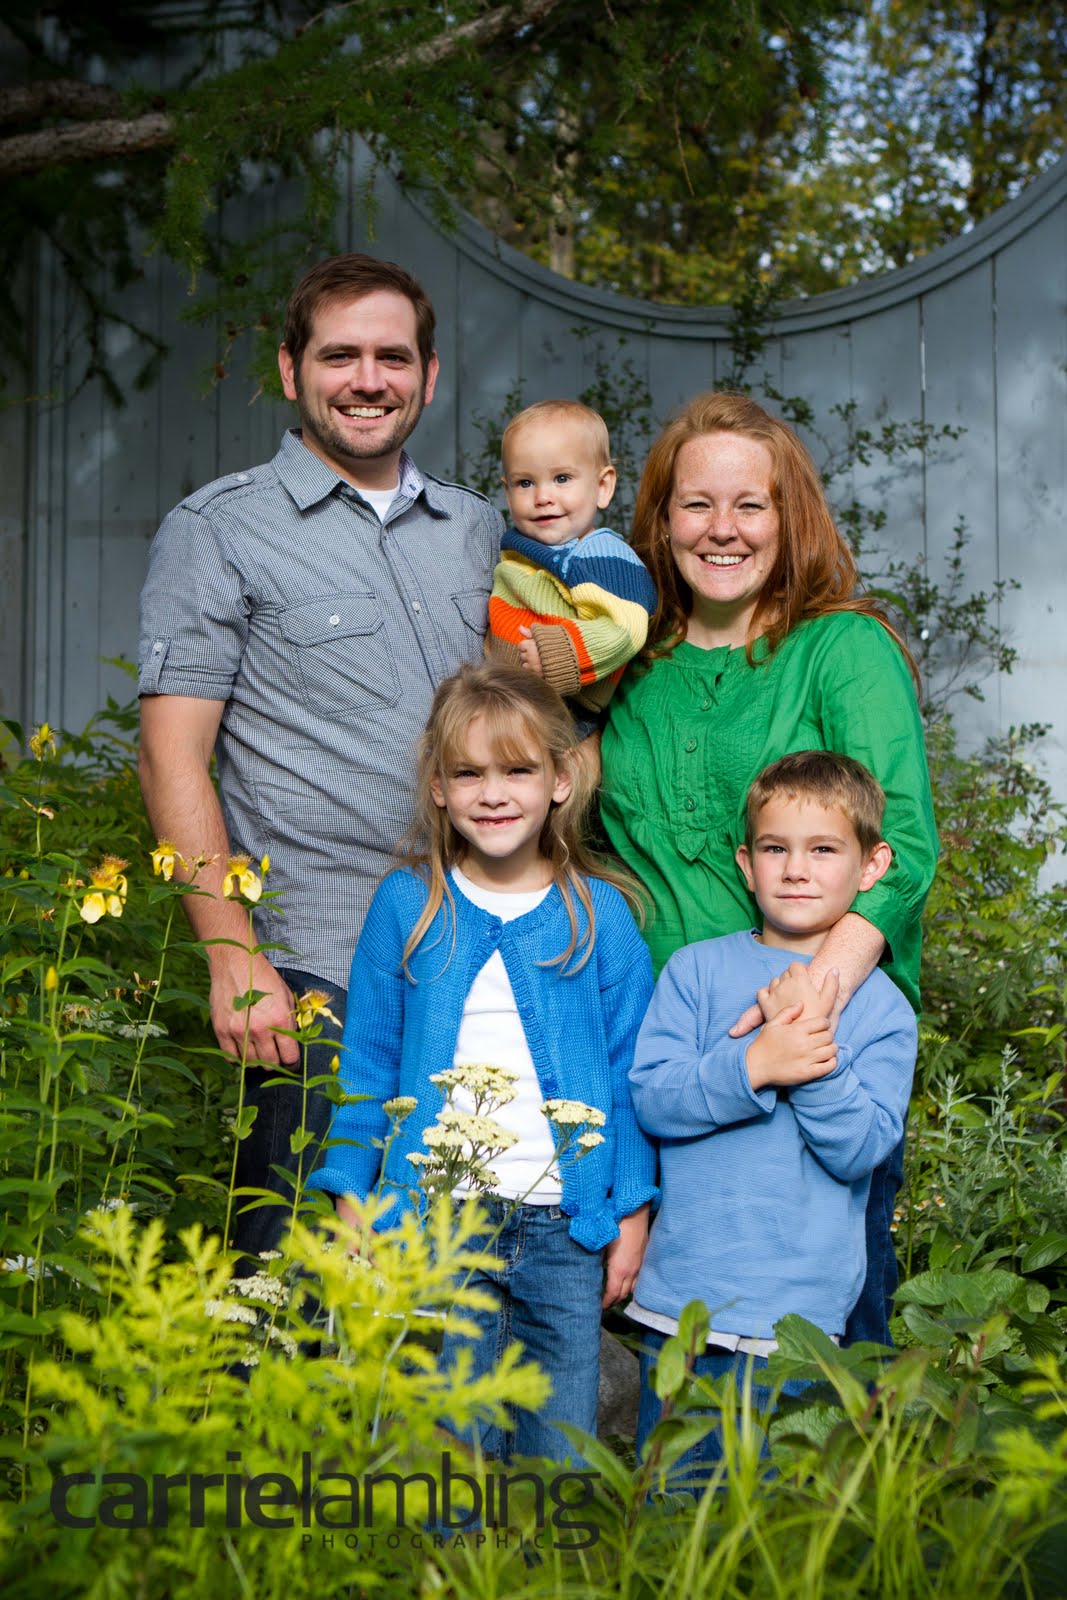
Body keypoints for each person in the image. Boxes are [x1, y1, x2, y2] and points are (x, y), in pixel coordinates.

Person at [137, 254, 502, 1260]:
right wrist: (229, 950)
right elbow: (173, 756)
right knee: (295, 1263)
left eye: (392, 356)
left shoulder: (482, 530)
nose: (367, 378)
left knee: (462, 1274)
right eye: (340, 355)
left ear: (429, 376)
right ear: (291, 369)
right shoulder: (219, 530)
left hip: (479, 957)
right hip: (315, 967)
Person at [599, 391, 939, 1347]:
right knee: (658, 1351)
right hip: (661, 1055)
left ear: (790, 520)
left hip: (810, 1055)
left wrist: (807, 1008)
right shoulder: (623, 664)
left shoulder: (842, 648)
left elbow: (904, 848)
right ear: (659, 522)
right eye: (695, 503)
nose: (722, 529)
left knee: (813, 1354)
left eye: (750, 504)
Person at [308, 663, 658, 1462]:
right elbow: (368, 1060)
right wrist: (354, 1192)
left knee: (558, 1437)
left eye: (517, 770)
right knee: (444, 1439)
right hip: (434, 1212)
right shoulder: (407, 903)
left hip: (564, 1223)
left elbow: (629, 1072)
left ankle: (548, 1575)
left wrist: (630, 1208)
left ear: (560, 780)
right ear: (437, 786)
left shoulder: (597, 913)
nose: (492, 793)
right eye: (468, 773)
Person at [628, 751, 917, 1472]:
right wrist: (754, 1064)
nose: (796, 869)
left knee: (777, 1527)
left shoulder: (881, 1008)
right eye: (774, 849)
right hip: (683, 1303)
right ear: (745, 863)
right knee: (670, 1506)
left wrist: (806, 1055)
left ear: (870, 865)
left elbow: (860, 1150)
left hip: (801, 1317)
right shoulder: (694, 971)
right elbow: (653, 1100)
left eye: (823, 850)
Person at [487, 400, 656, 728]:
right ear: (507, 495)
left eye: (562, 478)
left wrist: (557, 656)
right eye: (525, 483)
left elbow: (625, 628)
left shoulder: (603, 556)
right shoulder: (521, 548)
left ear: (602, 487)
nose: (542, 497)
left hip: (567, 712)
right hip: (510, 701)